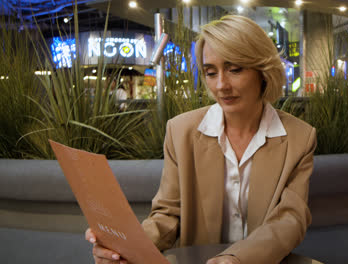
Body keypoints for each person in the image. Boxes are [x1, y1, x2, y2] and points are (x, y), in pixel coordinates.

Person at [86, 14, 317, 264]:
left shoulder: (299, 137)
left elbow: (290, 220)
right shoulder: (180, 131)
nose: (221, 85)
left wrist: (236, 259)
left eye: (234, 69)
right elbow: (167, 215)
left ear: (263, 71)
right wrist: (126, 247)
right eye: (210, 72)